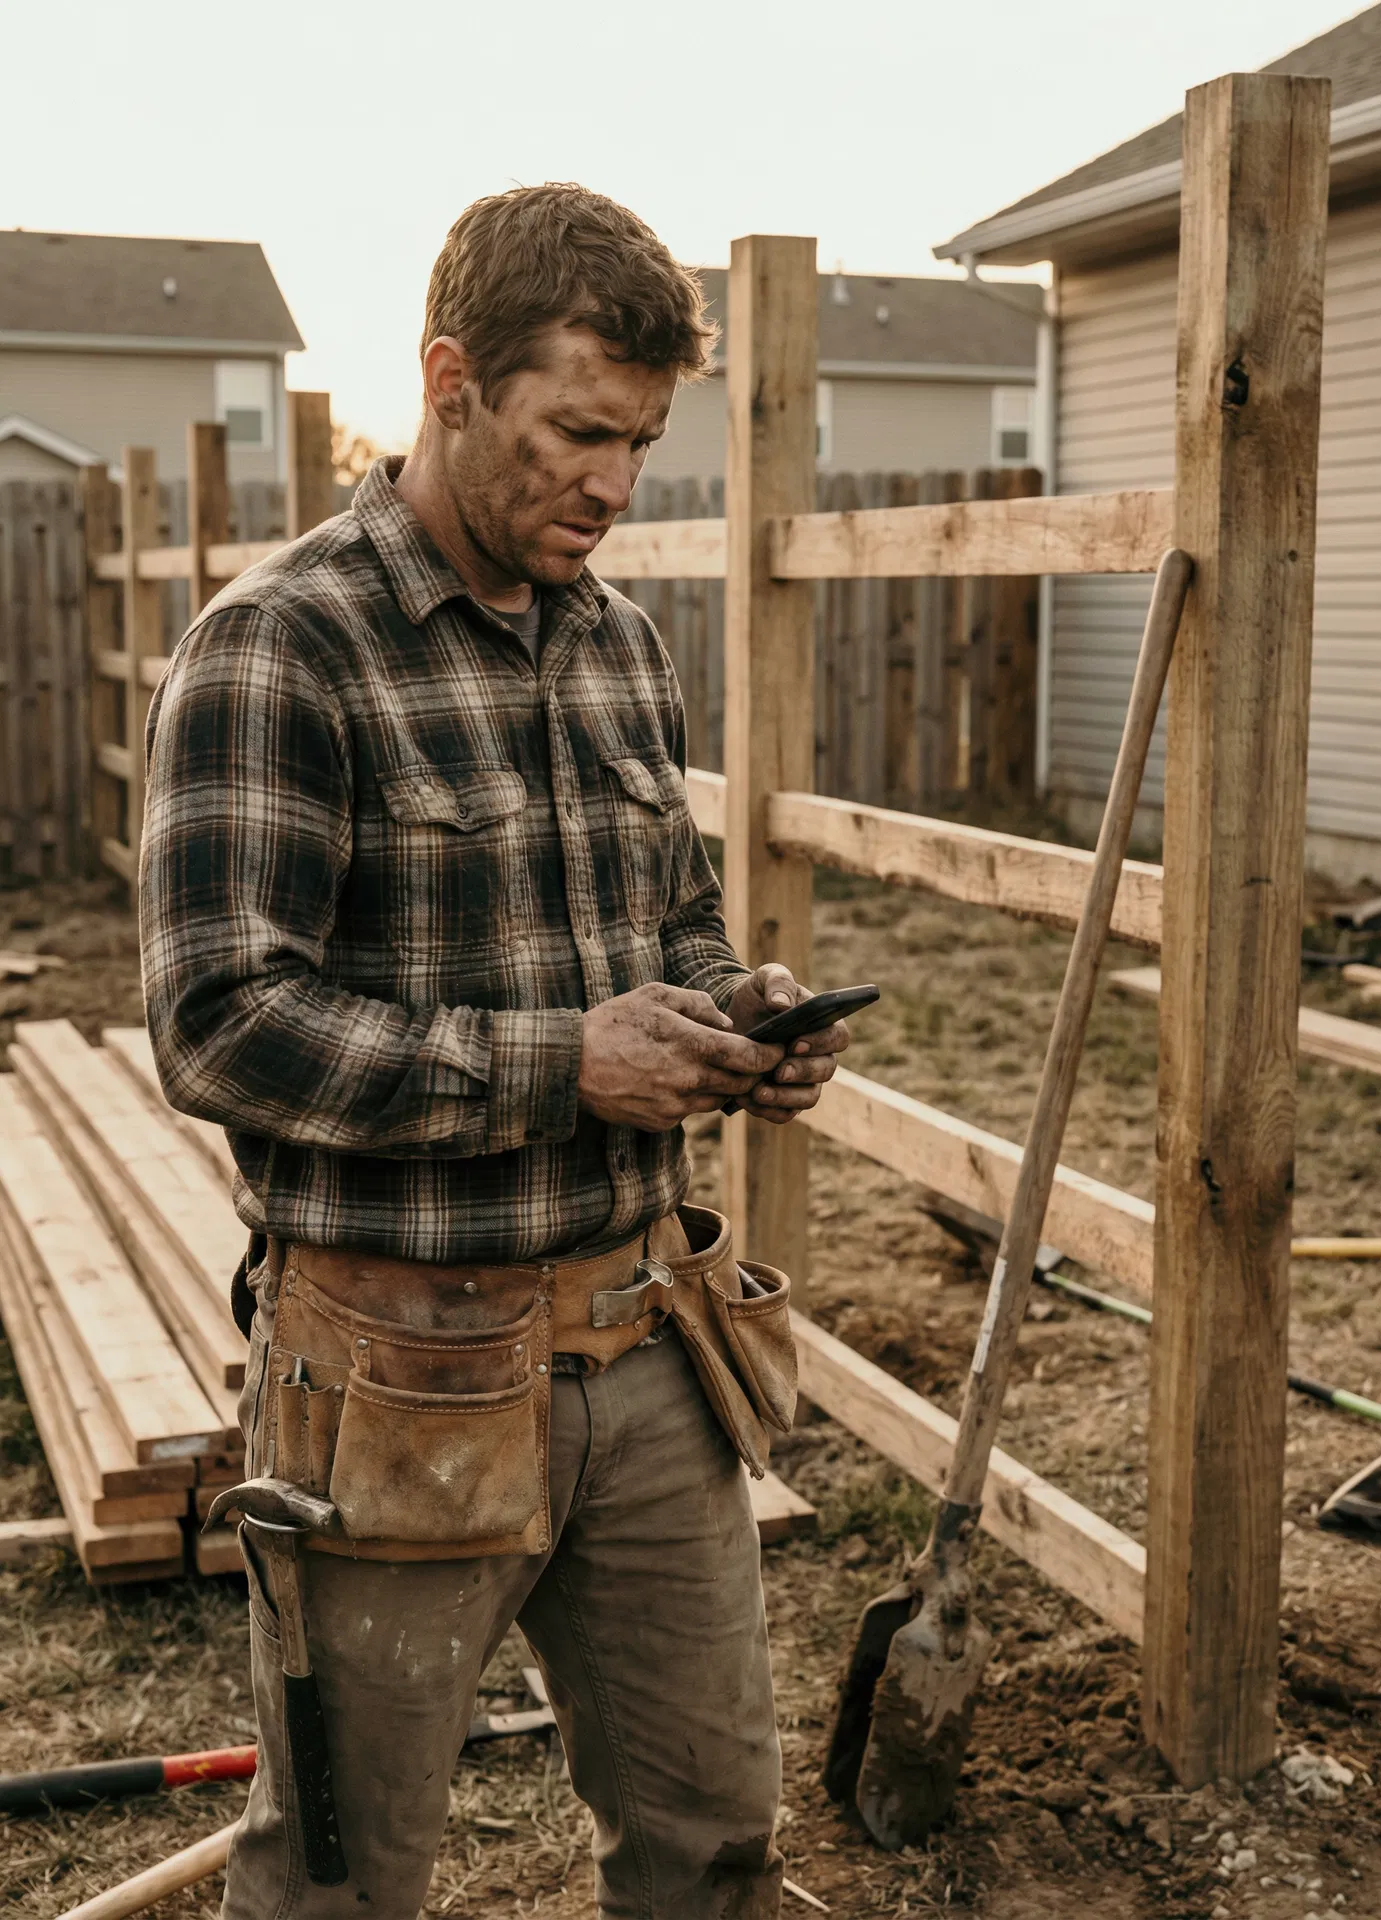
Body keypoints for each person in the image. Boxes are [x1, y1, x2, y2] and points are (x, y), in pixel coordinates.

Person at [141, 182, 847, 1919]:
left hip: (646, 1339)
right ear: (450, 382)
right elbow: (219, 1023)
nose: (615, 486)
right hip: (390, 1372)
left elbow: (668, 927)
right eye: (578, 433)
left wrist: (733, 1019)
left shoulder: (615, 643)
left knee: (713, 1842)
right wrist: (564, 1066)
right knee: (340, 1876)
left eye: (642, 439)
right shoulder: (280, 647)